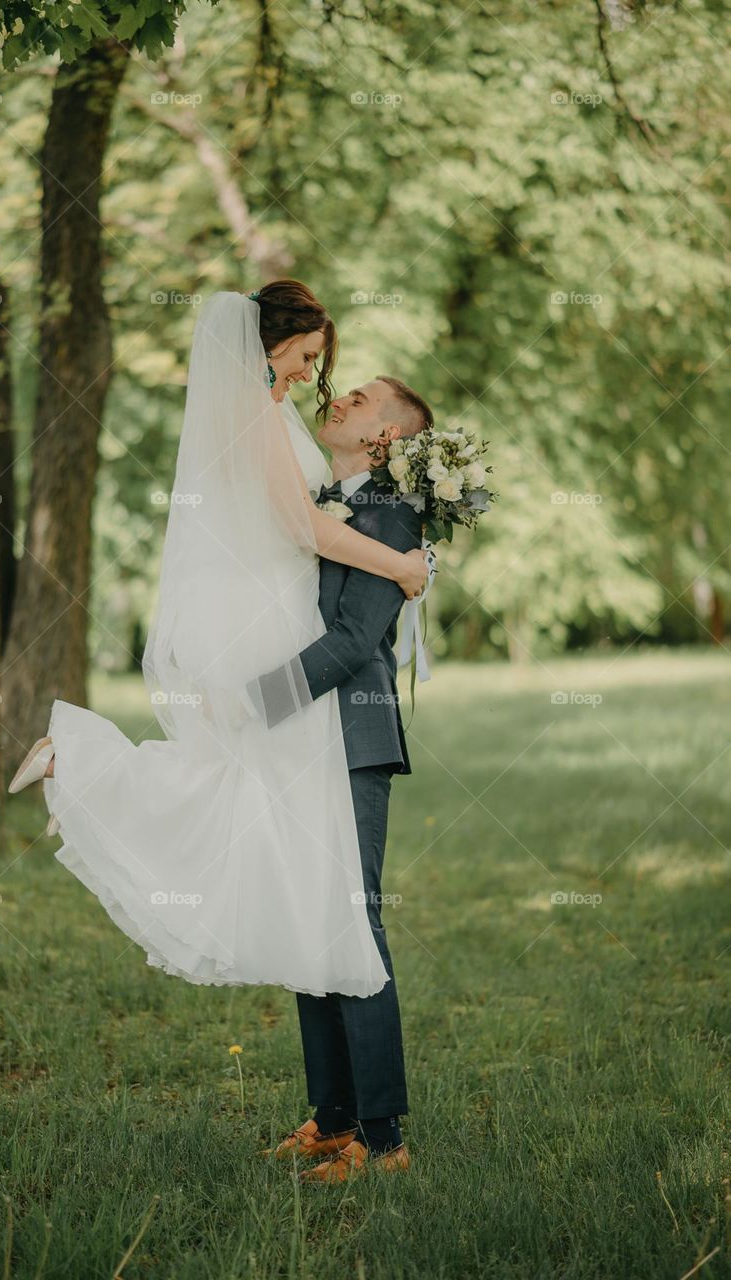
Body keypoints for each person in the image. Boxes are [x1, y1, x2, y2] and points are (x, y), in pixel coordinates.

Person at [8, 283, 428, 1011]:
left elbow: (322, 555)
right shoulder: (258, 417)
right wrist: (400, 566)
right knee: (236, 800)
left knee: (236, 803)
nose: (311, 374)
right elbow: (304, 529)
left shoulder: (273, 420)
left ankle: (78, 760)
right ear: (268, 344)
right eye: (304, 356)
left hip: (284, 641)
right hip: (276, 640)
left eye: (318, 365)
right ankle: (77, 757)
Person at [250, 375, 434, 1182]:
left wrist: (260, 702)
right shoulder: (322, 499)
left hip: (349, 737)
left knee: (354, 924)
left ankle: (384, 1140)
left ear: (386, 437)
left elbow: (358, 636)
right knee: (308, 919)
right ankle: (331, 1119)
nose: (340, 398)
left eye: (360, 399)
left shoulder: (390, 515)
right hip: (306, 742)